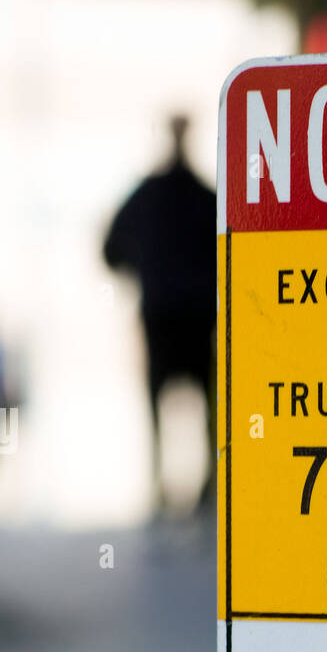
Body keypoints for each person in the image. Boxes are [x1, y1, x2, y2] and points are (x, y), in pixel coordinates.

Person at [103, 116, 216, 510]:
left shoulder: (150, 196)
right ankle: (201, 484)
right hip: (193, 315)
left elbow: (111, 247)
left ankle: (173, 483)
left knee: (163, 400)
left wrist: (145, 272)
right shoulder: (203, 197)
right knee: (206, 399)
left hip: (167, 313)